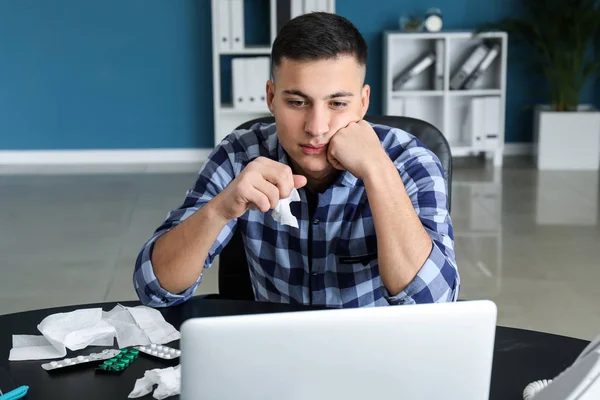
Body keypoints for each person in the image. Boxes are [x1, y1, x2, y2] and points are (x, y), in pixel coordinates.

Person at [133, 12, 459, 308]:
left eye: (337, 104)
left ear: (362, 103)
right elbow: (154, 289)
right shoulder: (238, 155)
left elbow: (436, 303)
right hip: (272, 351)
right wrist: (220, 209)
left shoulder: (410, 159)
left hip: (377, 351)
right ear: (272, 98)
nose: (316, 128)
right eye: (298, 102)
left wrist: (378, 171)